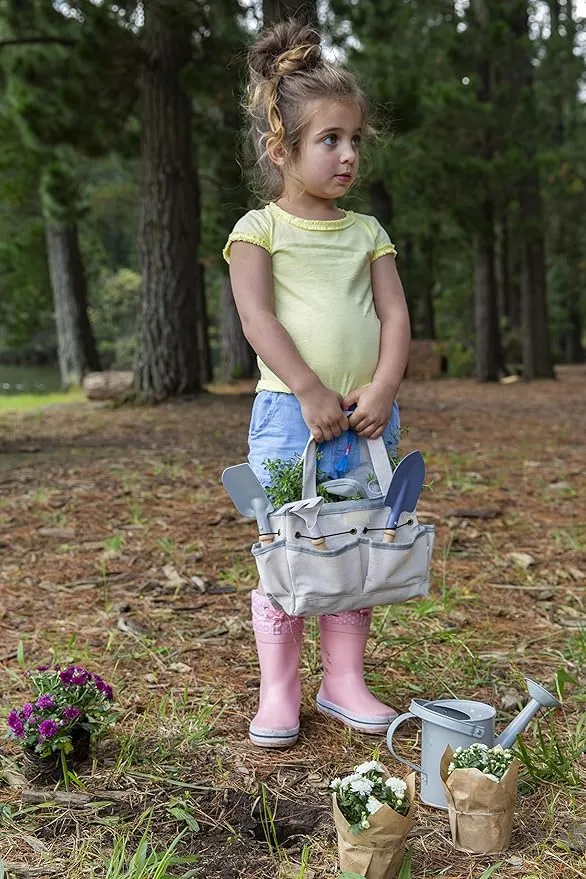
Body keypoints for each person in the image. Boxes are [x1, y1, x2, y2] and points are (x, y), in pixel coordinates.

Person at [223, 20, 411, 748]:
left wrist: (385, 387)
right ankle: (279, 690)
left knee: (353, 546)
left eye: (355, 138)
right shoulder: (258, 229)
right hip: (288, 417)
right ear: (282, 151)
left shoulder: (367, 232)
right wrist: (306, 388)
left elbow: (394, 315)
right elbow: (257, 317)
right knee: (290, 548)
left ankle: (344, 681)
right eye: (330, 139)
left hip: (365, 420)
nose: (349, 154)